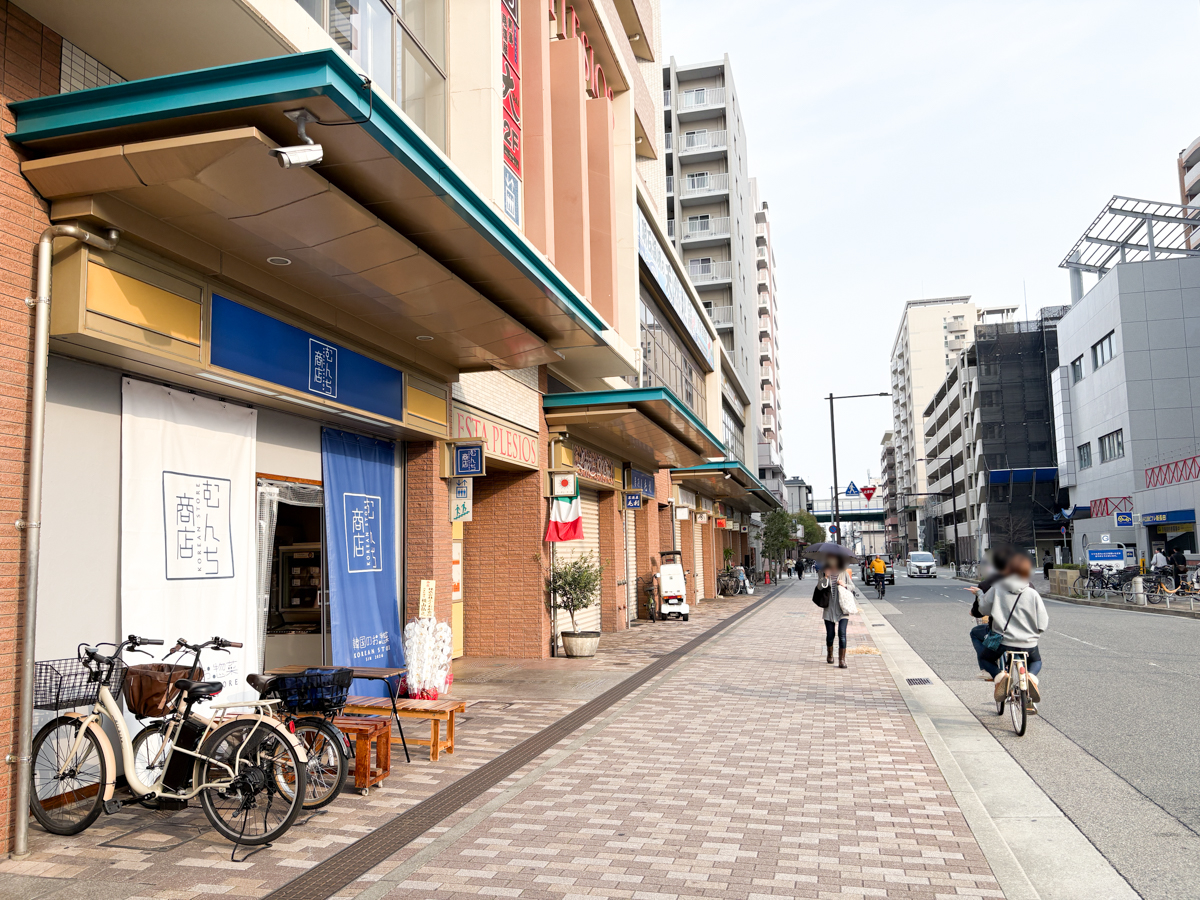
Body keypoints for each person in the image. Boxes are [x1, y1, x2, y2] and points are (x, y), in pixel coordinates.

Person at [973, 553, 1048, 703]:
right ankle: (1030, 678)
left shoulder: (997, 589)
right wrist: (1034, 634)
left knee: (986, 658)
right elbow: (1043, 621)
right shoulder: (1032, 593)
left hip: (1003, 640)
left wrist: (980, 594)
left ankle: (1000, 677)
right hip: (1028, 643)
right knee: (1036, 661)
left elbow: (984, 610)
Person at [820, 554, 856, 669]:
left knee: (842, 633)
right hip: (829, 608)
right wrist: (825, 577)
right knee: (830, 635)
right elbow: (820, 588)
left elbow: (852, 586)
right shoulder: (824, 573)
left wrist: (844, 585)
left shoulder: (844, 573)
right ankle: (830, 654)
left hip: (842, 608)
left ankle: (842, 660)